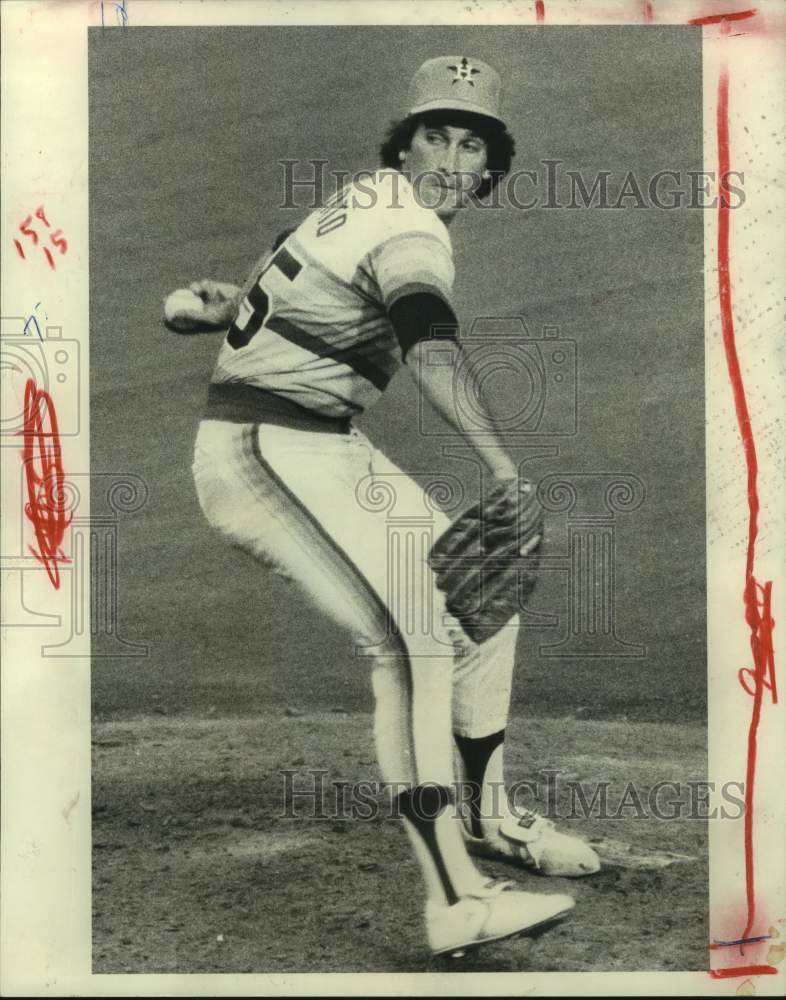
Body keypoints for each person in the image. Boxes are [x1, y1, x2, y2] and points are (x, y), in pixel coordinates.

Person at [174, 56, 598, 959]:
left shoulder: (361, 198)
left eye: (470, 141)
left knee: (477, 597)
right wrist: (503, 465)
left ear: (490, 167)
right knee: (413, 638)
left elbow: (292, 291)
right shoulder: (413, 227)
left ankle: (489, 818)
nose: (450, 154)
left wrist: (219, 310)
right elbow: (430, 347)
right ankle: (456, 899)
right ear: (404, 146)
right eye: (434, 135)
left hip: (320, 441)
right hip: (262, 453)